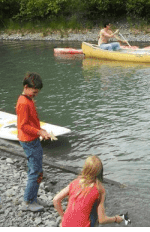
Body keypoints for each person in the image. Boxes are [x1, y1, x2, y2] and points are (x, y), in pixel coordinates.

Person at [53, 155, 124, 227]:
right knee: (95, 211)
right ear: (99, 172)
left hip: (65, 224)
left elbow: (56, 199)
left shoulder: (75, 182)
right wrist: (115, 219)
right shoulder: (99, 189)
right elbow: (102, 220)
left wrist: (63, 216)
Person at [16, 72, 52, 212]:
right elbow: (23, 126)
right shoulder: (24, 102)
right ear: (26, 87)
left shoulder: (28, 99)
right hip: (29, 141)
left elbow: (31, 121)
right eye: (34, 92)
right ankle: (28, 202)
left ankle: (33, 198)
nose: (35, 94)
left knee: (38, 170)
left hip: (32, 139)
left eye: (37, 92)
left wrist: (41, 130)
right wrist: (39, 132)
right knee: (35, 171)